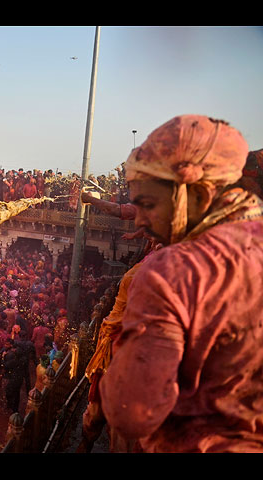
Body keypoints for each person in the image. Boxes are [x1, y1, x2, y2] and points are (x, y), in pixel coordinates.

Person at [99, 114, 263, 453]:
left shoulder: (171, 271)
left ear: (200, 194)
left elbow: (130, 414)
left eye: (148, 204)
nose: (141, 219)